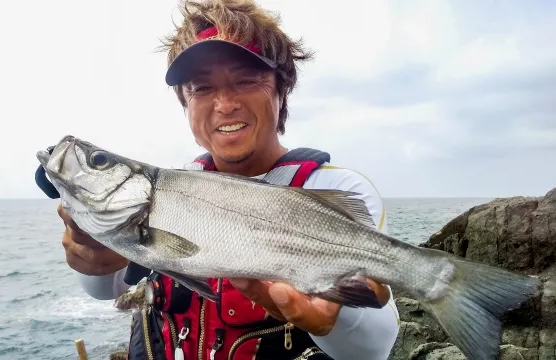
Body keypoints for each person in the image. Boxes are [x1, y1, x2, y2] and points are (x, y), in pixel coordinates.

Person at [57, 1, 400, 359]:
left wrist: (331, 321)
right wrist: (92, 250)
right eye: (201, 88)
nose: (224, 103)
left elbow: (374, 349)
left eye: (246, 80)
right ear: (184, 104)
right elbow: (104, 287)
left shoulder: (337, 190)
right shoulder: (161, 194)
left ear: (282, 91)